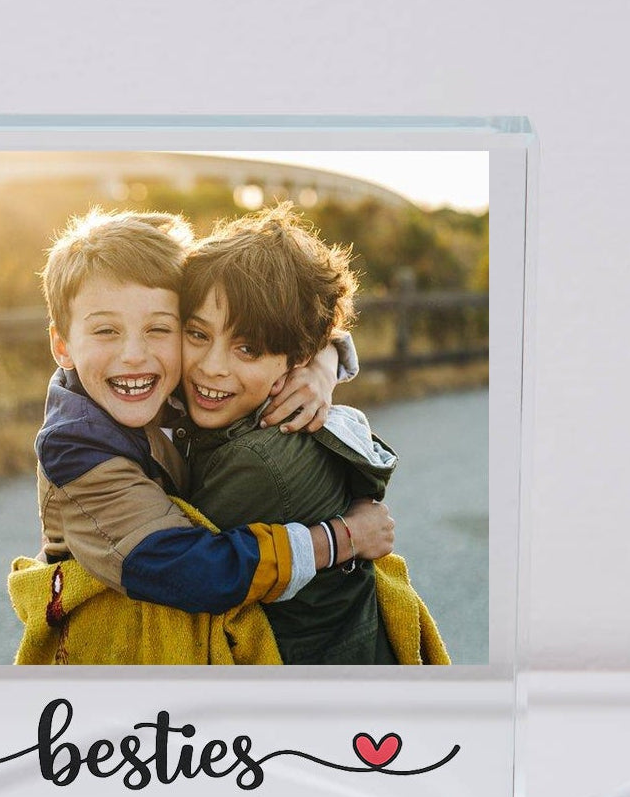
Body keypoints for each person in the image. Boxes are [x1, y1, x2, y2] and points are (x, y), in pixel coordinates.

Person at [8, 207, 395, 663]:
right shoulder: (75, 445)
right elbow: (185, 568)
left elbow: (275, 319)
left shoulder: (170, 376)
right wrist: (340, 539)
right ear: (62, 346)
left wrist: (322, 364)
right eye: (106, 330)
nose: (134, 354)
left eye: (159, 328)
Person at [176, 203, 448, 665]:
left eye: (247, 348)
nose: (211, 366)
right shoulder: (260, 398)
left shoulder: (259, 462)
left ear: (294, 359)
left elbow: (166, 566)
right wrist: (329, 356)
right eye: (197, 335)